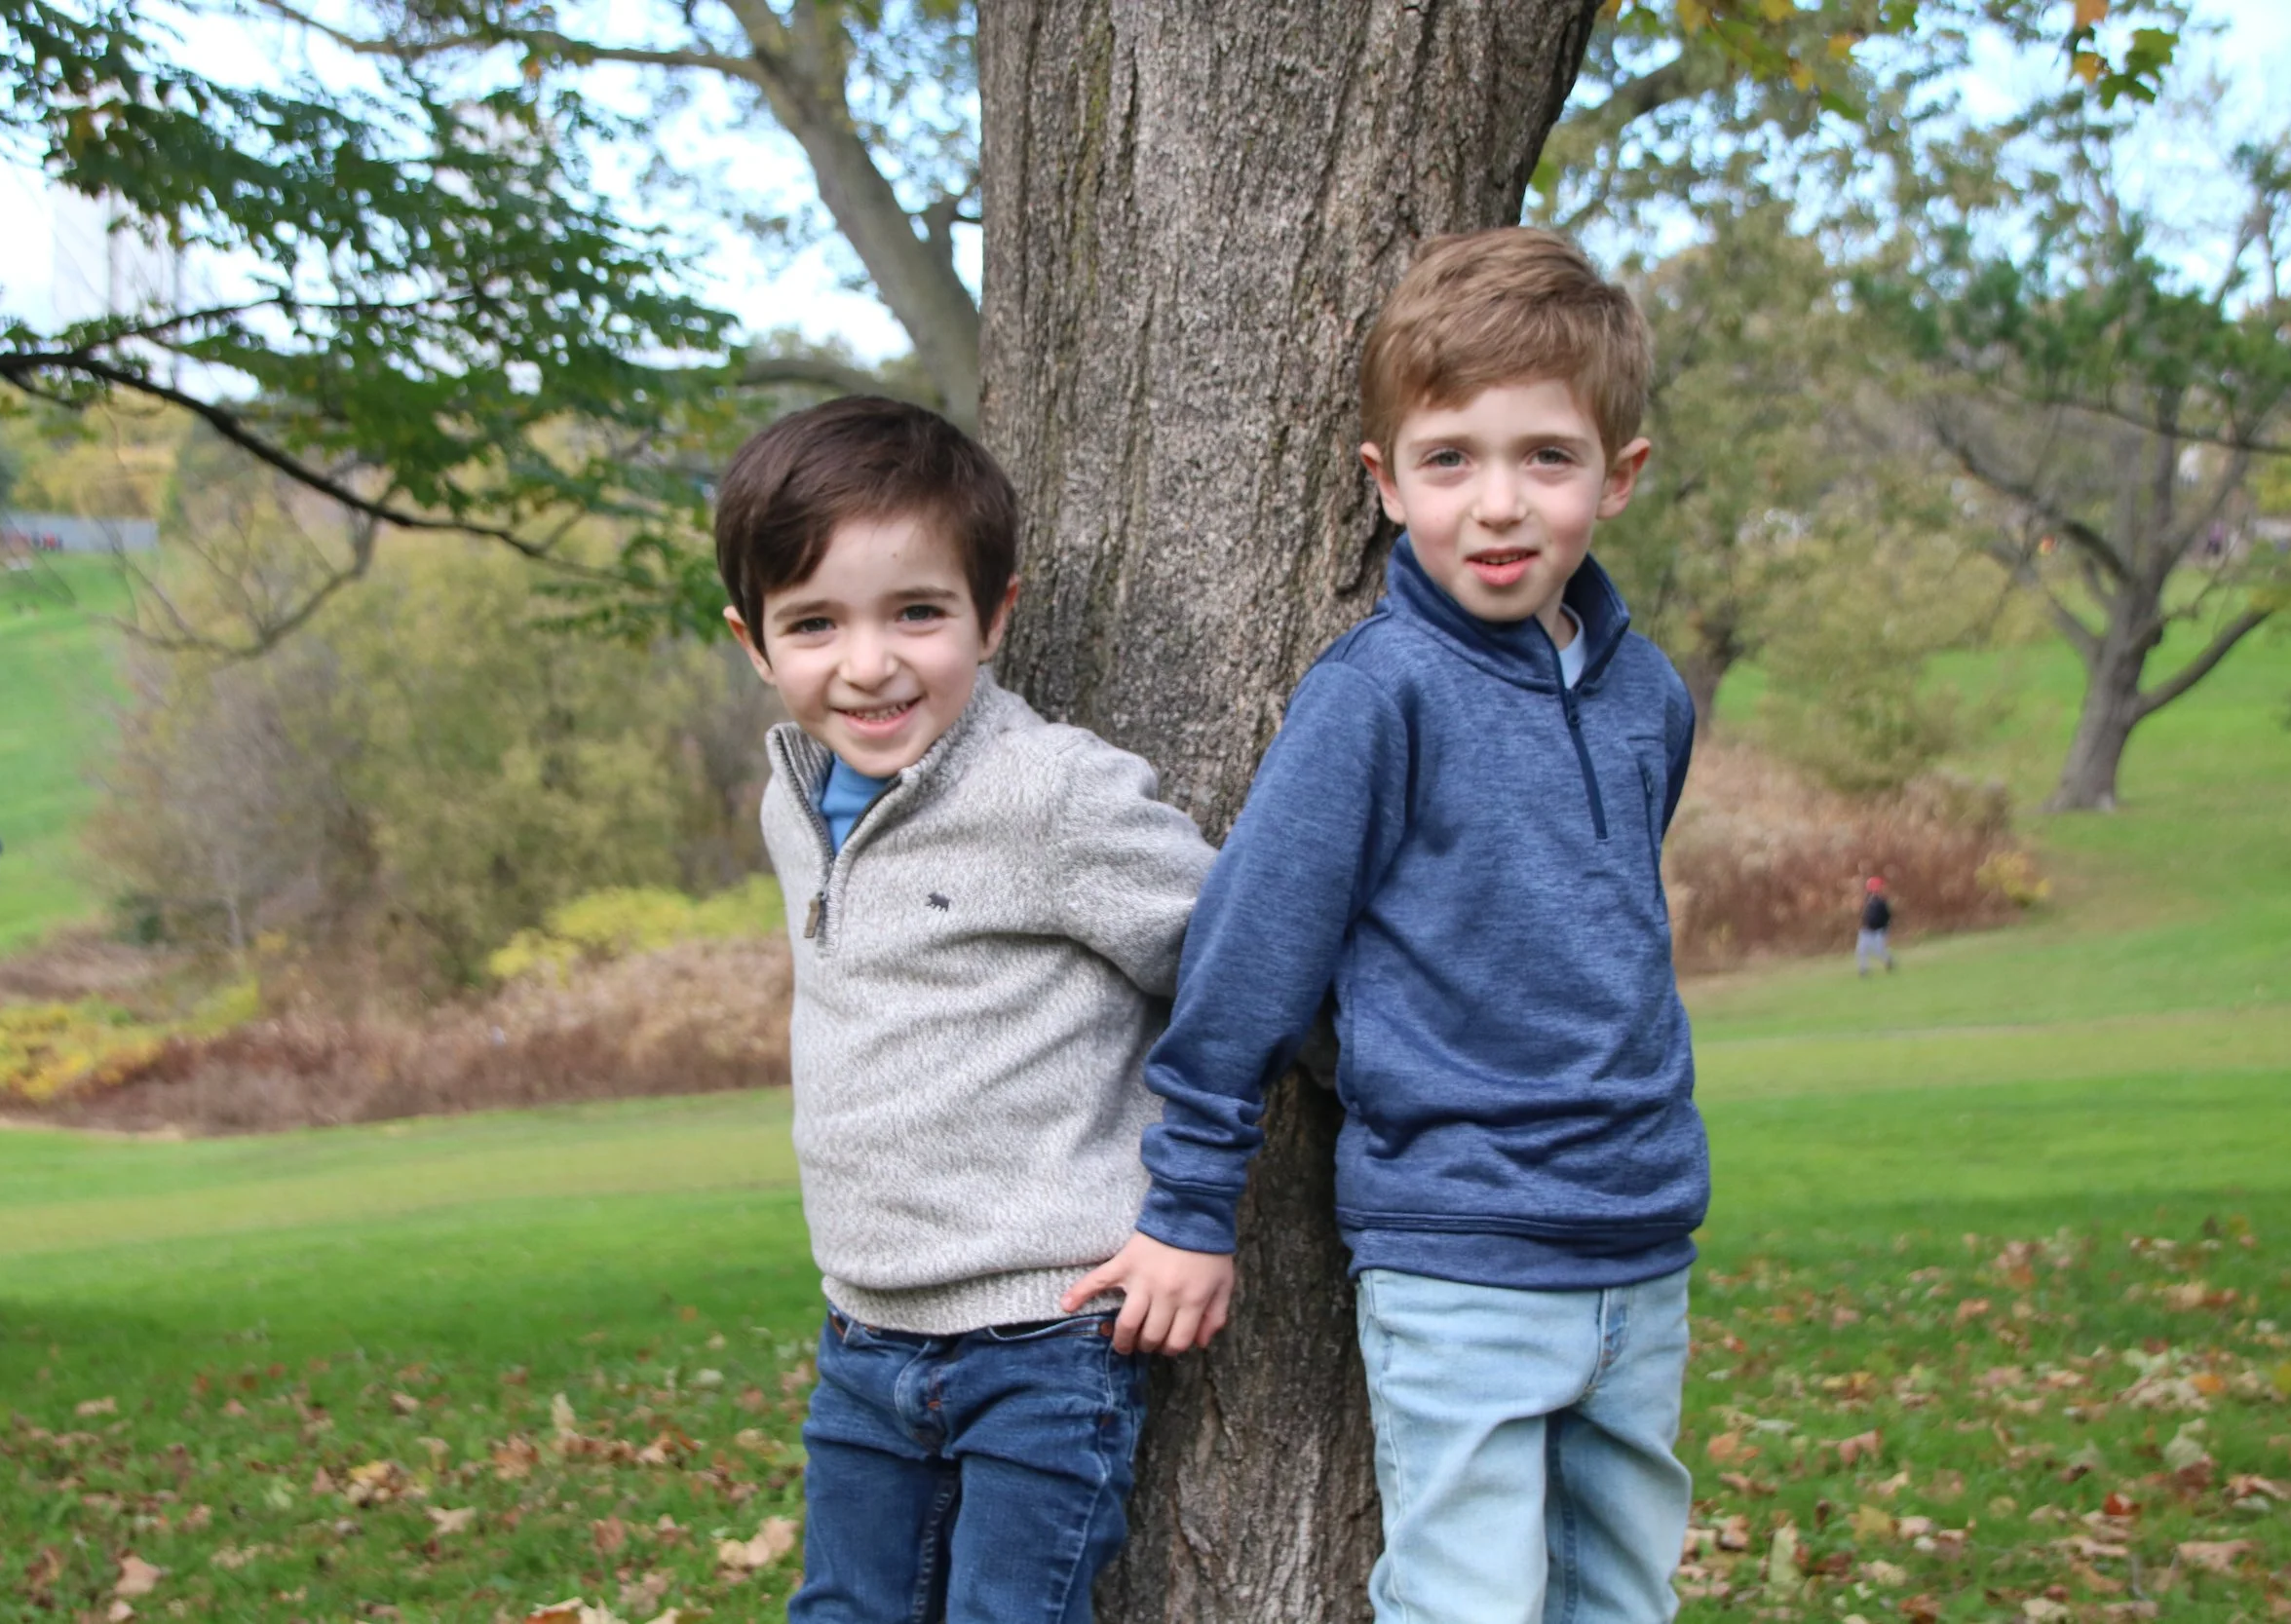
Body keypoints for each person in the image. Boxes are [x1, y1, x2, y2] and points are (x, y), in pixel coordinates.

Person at [1070, 227, 1704, 1624]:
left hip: (1642, 1236)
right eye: (1450, 459)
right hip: (1462, 1241)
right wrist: (1187, 1203)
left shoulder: (1648, 696)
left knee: (1626, 1594)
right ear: (1385, 479)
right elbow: (1248, 955)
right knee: (1468, 1600)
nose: (1499, 503)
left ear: (1621, 474)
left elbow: (1593, 930)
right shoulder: (1378, 696)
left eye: (1547, 457)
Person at [716, 395, 1217, 1624]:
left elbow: (1239, 969)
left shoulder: (1049, 792)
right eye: (815, 623)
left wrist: (1199, 1205)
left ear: (994, 613)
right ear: (754, 641)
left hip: (1045, 1337)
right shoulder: (793, 800)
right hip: (864, 1330)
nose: (869, 661)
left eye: (917, 611)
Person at [1857, 875, 1895, 975]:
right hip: (1866, 930)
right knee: (1861, 950)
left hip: (1878, 930)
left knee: (1879, 950)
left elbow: (1887, 917)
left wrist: (1884, 930)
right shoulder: (1867, 900)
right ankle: (1863, 970)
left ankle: (1888, 960)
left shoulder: (1882, 902)